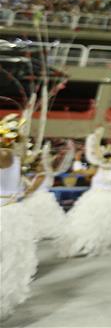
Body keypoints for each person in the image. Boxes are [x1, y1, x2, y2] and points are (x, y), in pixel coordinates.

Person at [57, 127, 111, 257]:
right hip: (95, 199)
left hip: (110, 200)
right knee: (87, 221)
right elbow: (81, 171)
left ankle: (95, 245)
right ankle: (84, 244)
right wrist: (79, 159)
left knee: (104, 224)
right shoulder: (98, 168)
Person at [0, 113, 38, 321]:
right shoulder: (15, 155)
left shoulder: (6, 155)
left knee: (7, 260)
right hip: (10, 211)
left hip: (5, 215)